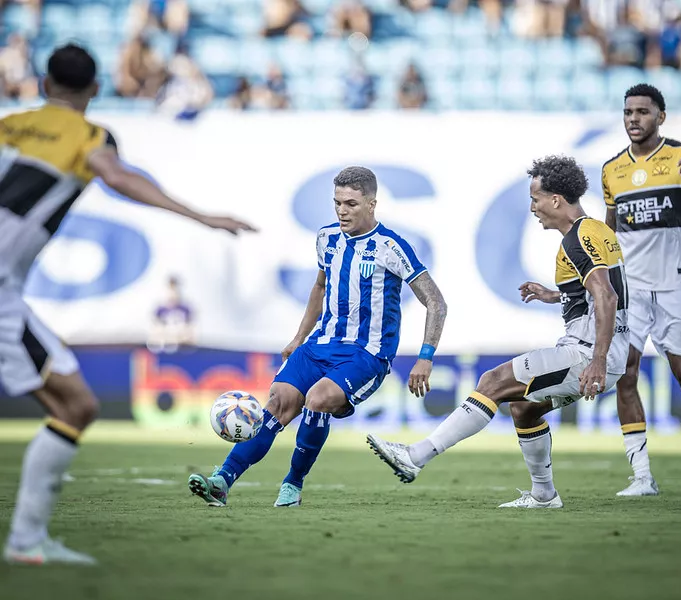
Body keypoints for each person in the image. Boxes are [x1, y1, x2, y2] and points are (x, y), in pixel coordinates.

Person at [1, 44, 256, 565]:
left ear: (44, 85)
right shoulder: (87, 138)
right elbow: (116, 176)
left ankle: (28, 542)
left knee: (74, 405)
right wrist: (202, 216)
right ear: (94, 91)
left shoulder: (10, 125)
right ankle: (26, 542)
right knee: (77, 406)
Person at [367, 155, 629, 509]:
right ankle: (544, 496)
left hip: (588, 352)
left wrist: (597, 361)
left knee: (492, 381)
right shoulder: (596, 230)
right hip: (604, 350)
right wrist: (553, 295)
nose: (532, 207)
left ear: (555, 200)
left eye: (535, 198)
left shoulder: (576, 238)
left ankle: (416, 455)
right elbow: (599, 289)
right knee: (523, 409)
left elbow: (607, 295)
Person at [511, 84, 681, 498]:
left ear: (660, 117)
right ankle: (642, 476)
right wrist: (570, 292)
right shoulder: (612, 170)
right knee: (624, 372)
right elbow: (605, 240)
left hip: (674, 284)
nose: (634, 118)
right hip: (630, 290)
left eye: (643, 112)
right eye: (628, 111)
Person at [188, 166, 447, 509]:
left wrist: (425, 356)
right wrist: (299, 337)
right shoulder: (326, 238)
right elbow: (321, 286)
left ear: (372, 204)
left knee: (318, 398)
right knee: (278, 402)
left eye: (351, 203)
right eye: (337, 202)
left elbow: (436, 302)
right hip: (319, 344)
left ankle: (292, 485)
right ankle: (222, 481)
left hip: (365, 353)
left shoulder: (392, 247)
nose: (342, 210)